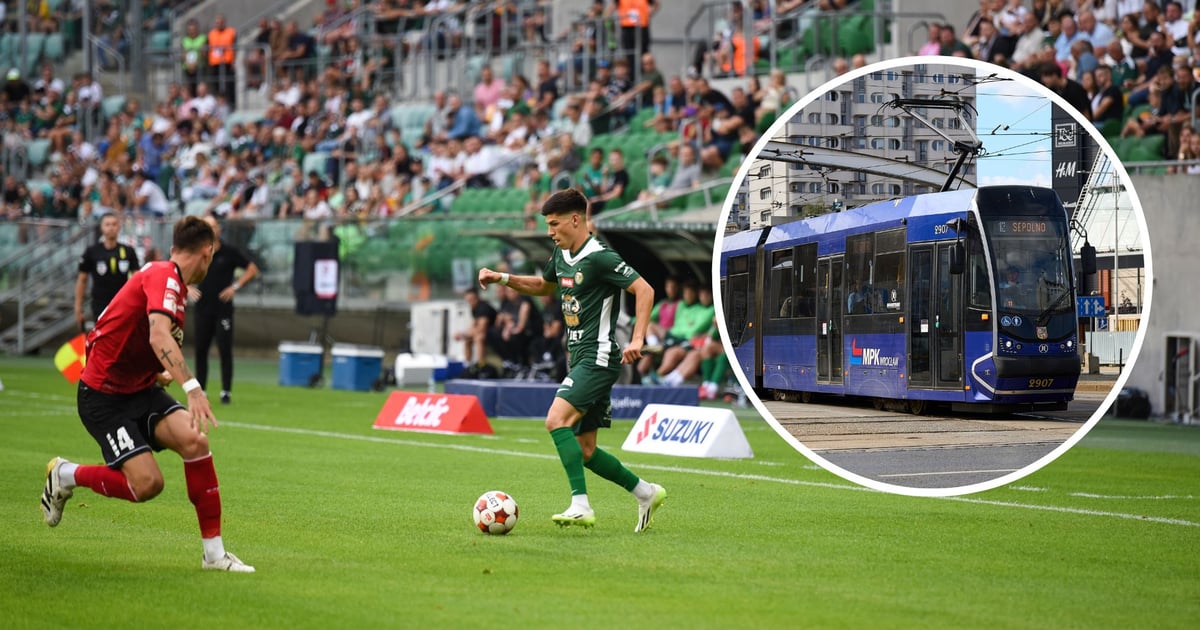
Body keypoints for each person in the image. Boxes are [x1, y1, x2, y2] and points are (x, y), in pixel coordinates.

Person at [41, 216, 254, 573]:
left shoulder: (171, 283)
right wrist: (192, 386)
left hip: (141, 388)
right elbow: (158, 335)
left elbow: (137, 336)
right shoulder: (163, 275)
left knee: (195, 441)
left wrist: (158, 372)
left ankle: (214, 555)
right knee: (147, 485)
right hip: (104, 398)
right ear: (208, 252)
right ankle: (66, 474)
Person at [477, 188, 665, 532]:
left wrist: (638, 338)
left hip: (599, 354)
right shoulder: (562, 254)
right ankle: (646, 492)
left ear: (576, 219)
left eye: (554, 224)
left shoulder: (600, 256)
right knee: (587, 450)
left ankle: (581, 504)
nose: (550, 231)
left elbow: (645, 289)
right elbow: (544, 287)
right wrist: (503, 277)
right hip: (578, 356)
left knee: (555, 420)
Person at [190, 215, 259, 405]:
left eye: (213, 226)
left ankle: (226, 390)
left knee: (225, 350)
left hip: (223, 310)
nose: (211, 230)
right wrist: (187, 288)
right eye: (207, 227)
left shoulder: (229, 252)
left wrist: (235, 287)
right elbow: (177, 269)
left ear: (219, 229)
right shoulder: (197, 252)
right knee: (201, 350)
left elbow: (252, 269)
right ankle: (201, 389)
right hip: (203, 308)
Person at [75, 213, 141, 332]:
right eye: (107, 224)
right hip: (100, 304)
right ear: (101, 227)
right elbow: (82, 280)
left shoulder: (128, 251)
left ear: (119, 227)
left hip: (122, 303)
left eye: (114, 224)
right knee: (103, 336)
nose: (111, 227)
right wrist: (78, 306)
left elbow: (137, 279)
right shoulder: (92, 251)